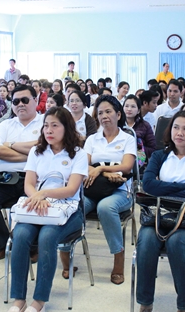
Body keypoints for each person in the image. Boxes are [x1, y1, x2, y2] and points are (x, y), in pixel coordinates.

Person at [8, 107, 87, 312]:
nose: (49, 130)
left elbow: (71, 189)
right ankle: (18, 300)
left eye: (54, 125)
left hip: (67, 210)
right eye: (45, 126)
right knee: (20, 235)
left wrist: (44, 194)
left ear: (66, 127)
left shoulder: (78, 154)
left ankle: (39, 301)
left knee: (47, 237)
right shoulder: (37, 151)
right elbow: (28, 184)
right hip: (37, 206)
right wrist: (37, 196)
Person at [136, 110, 185, 312]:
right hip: (158, 217)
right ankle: (145, 303)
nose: (180, 133)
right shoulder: (159, 156)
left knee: (177, 241)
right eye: (176, 127)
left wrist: (164, 187)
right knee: (146, 239)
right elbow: (149, 185)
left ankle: (184, 306)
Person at [74, 95, 136, 285]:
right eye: (100, 113)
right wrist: (108, 173)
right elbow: (83, 165)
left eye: (108, 111)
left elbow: (127, 167)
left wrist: (100, 168)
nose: (104, 116)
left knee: (105, 207)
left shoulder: (127, 138)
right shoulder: (92, 139)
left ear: (118, 114)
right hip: (93, 188)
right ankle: (66, 254)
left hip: (120, 191)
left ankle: (118, 258)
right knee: (74, 206)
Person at [0, 85, 43, 260]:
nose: (20, 104)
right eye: (16, 101)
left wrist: (10, 145)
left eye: (25, 100)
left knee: (36, 201)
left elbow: (45, 148)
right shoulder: (5, 125)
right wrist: (32, 154)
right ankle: (2, 244)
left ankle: (32, 246)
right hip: (6, 178)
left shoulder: (45, 122)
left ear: (35, 100)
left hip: (35, 178)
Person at [124, 95, 156, 160]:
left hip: (138, 161)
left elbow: (153, 149)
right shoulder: (117, 125)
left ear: (138, 110)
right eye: (126, 106)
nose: (129, 109)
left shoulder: (145, 126)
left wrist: (139, 149)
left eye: (133, 106)